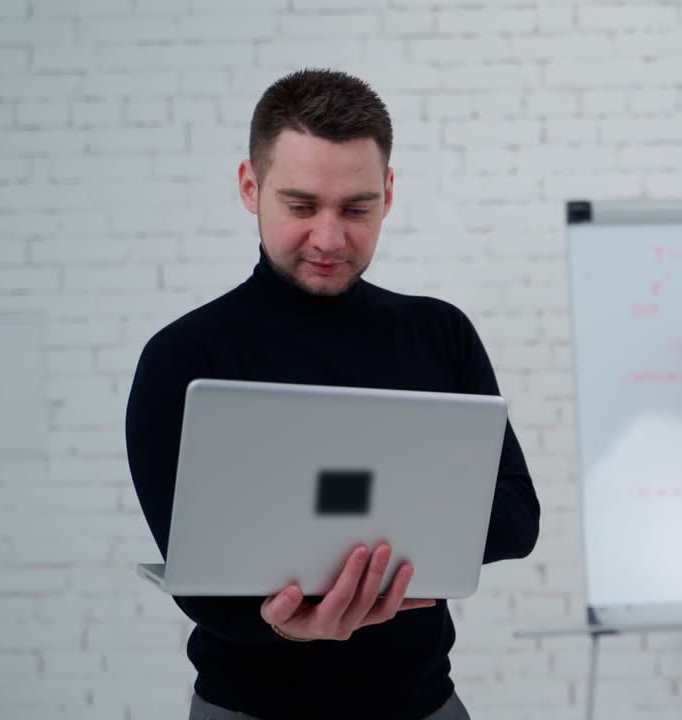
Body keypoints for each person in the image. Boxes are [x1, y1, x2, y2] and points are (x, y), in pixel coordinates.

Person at [124, 68, 541, 720]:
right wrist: (284, 622)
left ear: (389, 193)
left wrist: (362, 539)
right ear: (248, 186)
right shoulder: (182, 358)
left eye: (356, 208)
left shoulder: (441, 335)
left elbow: (517, 519)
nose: (328, 237)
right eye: (300, 205)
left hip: (424, 706)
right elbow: (195, 575)